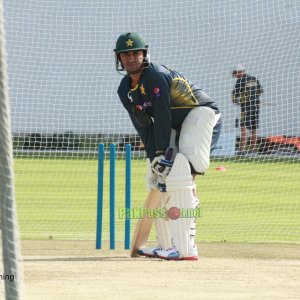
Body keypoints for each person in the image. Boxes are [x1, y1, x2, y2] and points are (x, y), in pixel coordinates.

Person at [114, 32, 221, 260]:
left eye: (136, 53)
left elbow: (161, 116)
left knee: (181, 172)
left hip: (200, 114)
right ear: (119, 59)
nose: (131, 58)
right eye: (126, 55)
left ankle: (186, 248)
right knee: (160, 177)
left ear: (145, 54)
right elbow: (144, 127)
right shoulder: (125, 90)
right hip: (176, 126)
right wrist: (155, 157)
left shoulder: (156, 76)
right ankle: (166, 244)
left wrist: (162, 153)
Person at [231, 65, 263, 154]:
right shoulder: (254, 78)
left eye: (235, 73)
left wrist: (237, 100)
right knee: (254, 128)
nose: (235, 75)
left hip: (245, 107)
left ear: (239, 72)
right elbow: (260, 92)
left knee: (243, 127)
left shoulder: (240, 81)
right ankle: (253, 150)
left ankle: (241, 150)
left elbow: (235, 96)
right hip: (256, 106)